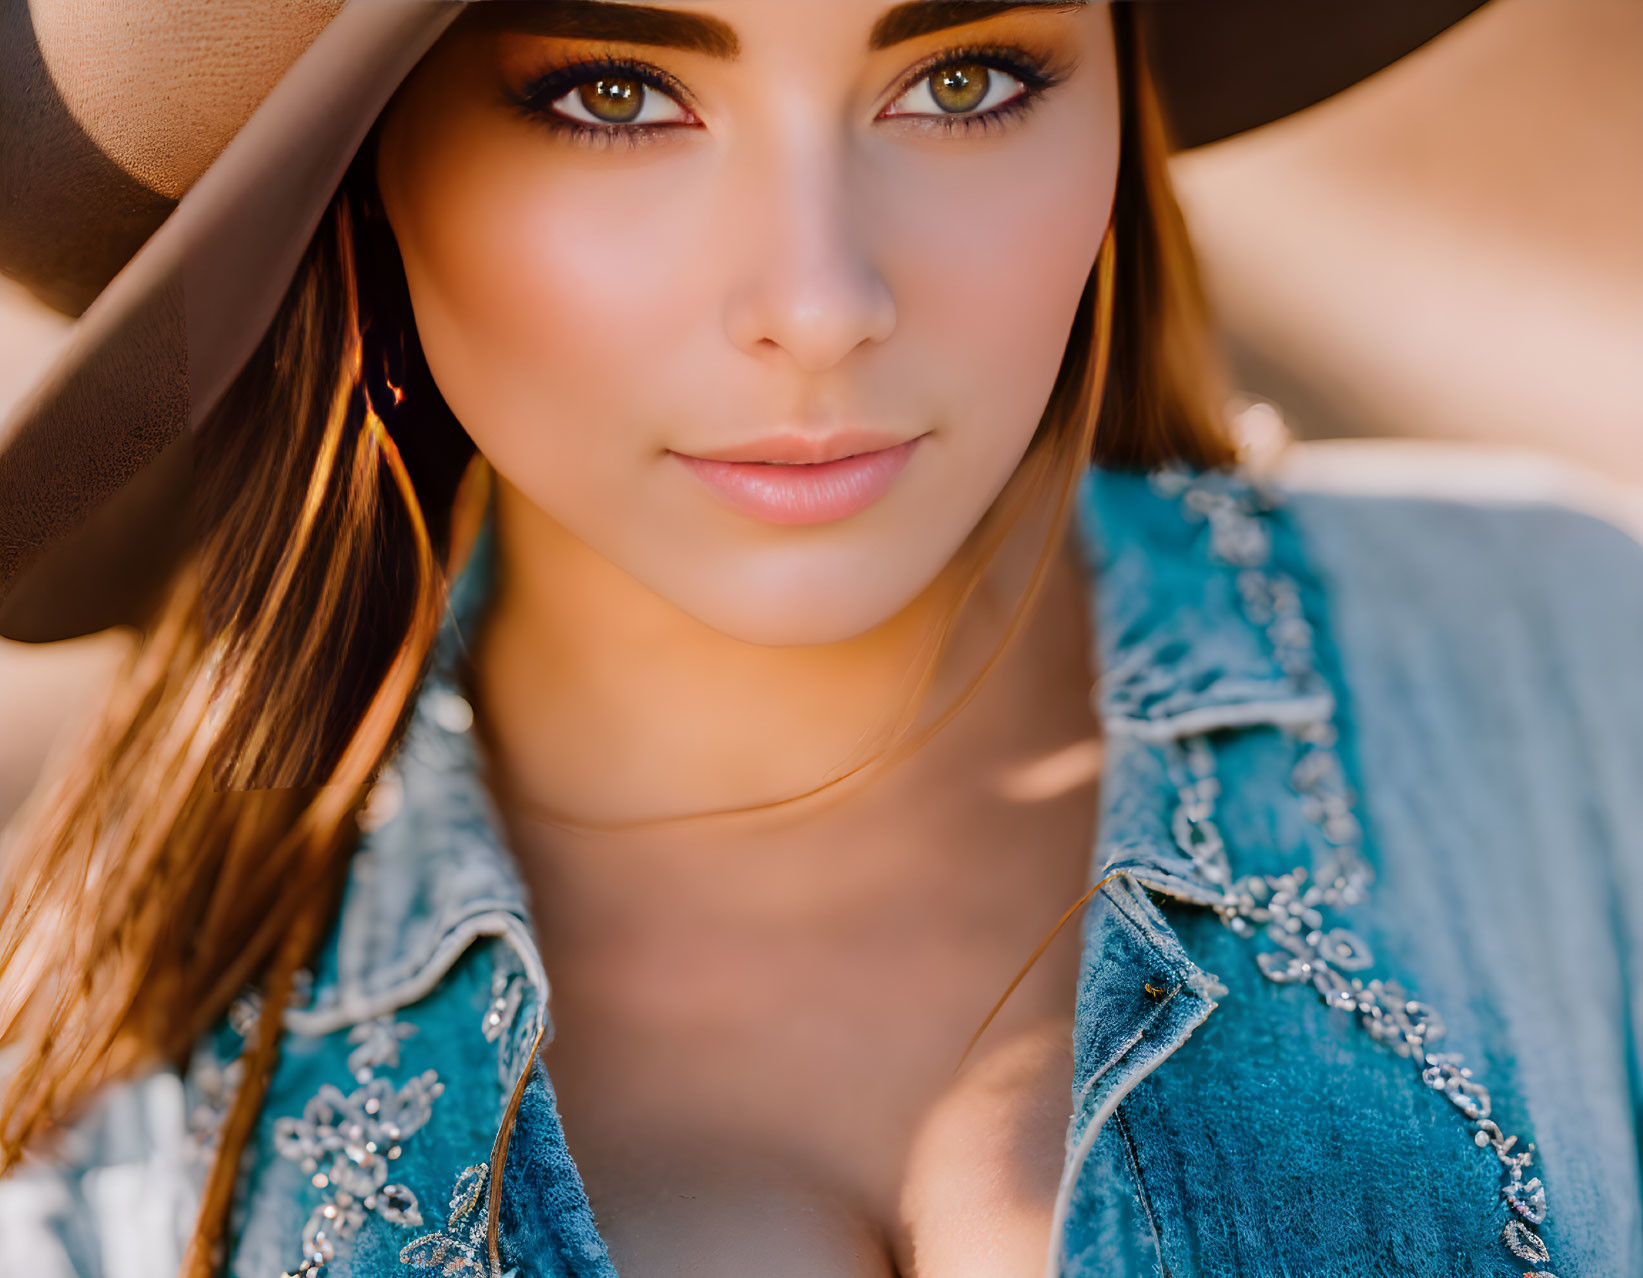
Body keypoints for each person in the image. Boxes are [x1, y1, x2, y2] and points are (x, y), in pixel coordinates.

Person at [0, 2, 1635, 1276]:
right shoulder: (110, 1132)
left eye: (966, 76)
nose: (822, 295)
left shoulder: (1570, 675)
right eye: (618, 92)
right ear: (358, 177)